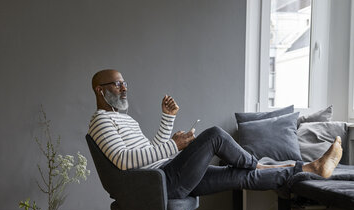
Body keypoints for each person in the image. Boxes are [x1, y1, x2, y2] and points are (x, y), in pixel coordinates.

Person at [87, 69, 343, 198]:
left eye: (124, 83)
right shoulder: (100, 121)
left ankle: (309, 168)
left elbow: (148, 152)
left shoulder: (124, 120)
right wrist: (174, 147)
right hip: (158, 182)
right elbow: (124, 161)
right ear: (100, 90)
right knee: (215, 135)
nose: (124, 88)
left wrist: (167, 118)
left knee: (242, 177)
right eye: (118, 84)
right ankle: (260, 165)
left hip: (165, 172)